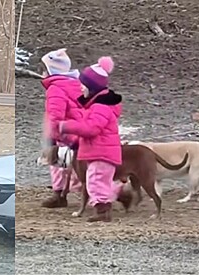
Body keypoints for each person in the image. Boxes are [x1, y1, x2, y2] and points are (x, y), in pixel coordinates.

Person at [58, 56, 132, 222]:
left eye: (83, 84)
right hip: (101, 151)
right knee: (99, 181)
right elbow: (88, 127)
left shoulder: (100, 107)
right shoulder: (98, 106)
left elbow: (91, 129)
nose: (80, 87)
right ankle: (109, 204)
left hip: (101, 153)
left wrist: (67, 126)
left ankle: (102, 212)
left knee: (95, 181)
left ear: (92, 87)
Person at [40, 48, 84, 208]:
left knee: (58, 164)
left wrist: (54, 136)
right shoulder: (76, 84)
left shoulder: (55, 88)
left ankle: (59, 195)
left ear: (51, 70)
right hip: (77, 131)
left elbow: (55, 116)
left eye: (44, 69)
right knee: (75, 165)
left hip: (62, 134)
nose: (43, 73)